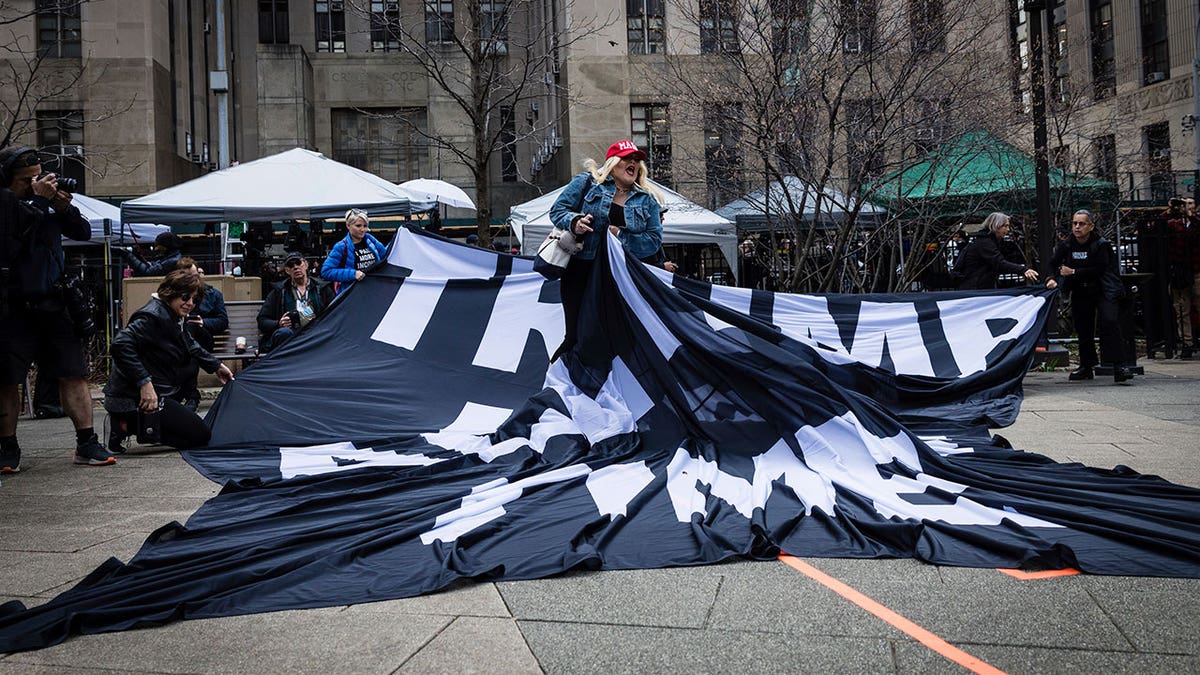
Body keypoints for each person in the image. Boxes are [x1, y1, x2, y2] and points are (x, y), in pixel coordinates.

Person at [0, 145, 114, 470]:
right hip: (14, 307)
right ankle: (7, 446)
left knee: (73, 373)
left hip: (54, 301)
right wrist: (37, 200)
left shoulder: (48, 203)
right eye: (26, 180)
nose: (37, 184)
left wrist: (64, 209)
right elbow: (12, 238)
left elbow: (82, 232)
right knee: (7, 379)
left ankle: (87, 442)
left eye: (38, 177)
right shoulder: (6, 204)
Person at [548, 139, 664, 361]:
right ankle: (558, 383)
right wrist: (575, 222)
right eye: (627, 158)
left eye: (637, 160)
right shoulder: (586, 183)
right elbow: (557, 210)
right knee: (575, 335)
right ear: (613, 162)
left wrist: (620, 235)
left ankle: (610, 388)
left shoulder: (647, 199)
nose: (634, 163)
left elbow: (653, 240)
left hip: (621, 277)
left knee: (618, 337)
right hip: (581, 270)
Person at [104, 269, 234, 453]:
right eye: (185, 297)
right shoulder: (153, 315)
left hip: (158, 389)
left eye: (194, 300)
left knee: (195, 434)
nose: (189, 303)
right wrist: (144, 383)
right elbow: (120, 345)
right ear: (170, 293)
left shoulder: (173, 314)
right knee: (200, 436)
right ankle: (124, 424)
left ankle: (136, 425)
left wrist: (216, 366)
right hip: (130, 397)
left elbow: (189, 343)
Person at [1045, 210, 1132, 383]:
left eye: (1082, 224)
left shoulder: (1101, 245)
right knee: (1083, 328)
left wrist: (1074, 272)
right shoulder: (1067, 244)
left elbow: (1100, 269)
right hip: (1081, 290)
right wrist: (1051, 278)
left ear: (1091, 226)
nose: (1077, 227)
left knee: (1109, 323)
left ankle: (1119, 366)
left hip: (1103, 290)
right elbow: (1053, 263)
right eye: (1075, 223)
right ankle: (1086, 366)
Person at [176, 257, 228, 409]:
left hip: (204, 338)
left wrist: (204, 322)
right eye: (187, 277)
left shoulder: (212, 294)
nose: (192, 280)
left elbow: (222, 322)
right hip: (183, 342)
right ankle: (191, 396)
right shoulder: (175, 295)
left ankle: (187, 396)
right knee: (189, 352)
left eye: (194, 276)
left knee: (191, 334)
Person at [258, 251, 334, 352]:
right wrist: (278, 324)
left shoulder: (322, 289)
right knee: (283, 333)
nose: (295, 267)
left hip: (316, 333)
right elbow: (262, 320)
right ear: (287, 270)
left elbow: (335, 313)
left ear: (306, 265)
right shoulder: (279, 291)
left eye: (298, 263)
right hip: (290, 335)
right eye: (291, 265)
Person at [954, 212, 1039, 290]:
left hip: (977, 286)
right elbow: (999, 263)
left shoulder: (987, 241)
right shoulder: (985, 243)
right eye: (1005, 226)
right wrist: (1023, 270)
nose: (1008, 229)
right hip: (976, 288)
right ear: (996, 226)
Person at [1162, 198, 1198, 358]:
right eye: (1183, 204)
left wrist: (1191, 216)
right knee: (1182, 309)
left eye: (1189, 203)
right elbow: (1155, 226)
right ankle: (1187, 343)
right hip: (1179, 271)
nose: (1186, 206)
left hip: (1197, 270)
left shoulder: (1195, 223)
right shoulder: (1173, 224)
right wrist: (1170, 209)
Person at [321, 208, 386, 295]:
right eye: (358, 226)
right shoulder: (341, 246)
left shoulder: (371, 239)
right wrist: (353, 274)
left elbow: (386, 256)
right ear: (348, 225)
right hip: (352, 295)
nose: (362, 229)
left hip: (374, 290)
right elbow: (326, 271)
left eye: (365, 226)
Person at [118, 231, 184, 277]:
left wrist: (128, 256)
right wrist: (138, 257)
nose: (156, 249)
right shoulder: (171, 257)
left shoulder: (172, 261)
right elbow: (153, 266)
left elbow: (148, 272)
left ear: (166, 245)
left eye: (158, 245)